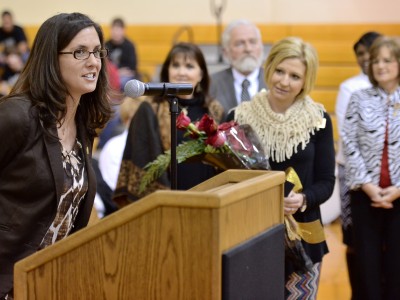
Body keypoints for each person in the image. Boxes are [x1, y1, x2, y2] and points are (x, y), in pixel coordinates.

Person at [0, 12, 112, 298]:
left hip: (48, 283)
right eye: (79, 52)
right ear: (51, 58)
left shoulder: (83, 124)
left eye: (97, 51)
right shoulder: (17, 115)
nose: (93, 61)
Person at [227, 37, 336, 299]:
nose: (284, 81)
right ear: (269, 68)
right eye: (279, 71)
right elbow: (225, 178)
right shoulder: (237, 118)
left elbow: (326, 182)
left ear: (305, 81)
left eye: (295, 76)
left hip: (304, 238)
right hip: (250, 238)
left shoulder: (318, 120)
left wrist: (303, 199)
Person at [113, 42, 224, 206]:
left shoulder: (215, 111)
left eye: (189, 66)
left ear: (201, 74)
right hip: (165, 204)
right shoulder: (150, 109)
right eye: (176, 65)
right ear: (167, 71)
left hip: (209, 201)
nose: (181, 72)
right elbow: (141, 158)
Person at [341, 36, 400, 300]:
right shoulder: (359, 97)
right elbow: (349, 143)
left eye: (387, 60)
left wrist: (397, 189)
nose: (380, 66)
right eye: (375, 60)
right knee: (367, 267)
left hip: (399, 196)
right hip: (365, 195)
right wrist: (368, 186)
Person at [334, 31, 381, 300]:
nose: (366, 59)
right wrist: (368, 183)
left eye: (370, 52)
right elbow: (350, 139)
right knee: (356, 241)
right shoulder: (350, 87)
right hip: (355, 176)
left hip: (393, 181)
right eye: (360, 55)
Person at [210, 19, 266, 117]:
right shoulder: (211, 84)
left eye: (253, 42)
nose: (248, 49)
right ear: (225, 51)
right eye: (240, 43)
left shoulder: (275, 82)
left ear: (261, 47)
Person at [105, 17, 138, 90]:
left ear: (123, 31)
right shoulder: (106, 45)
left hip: (126, 76)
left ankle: (122, 101)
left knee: (123, 83)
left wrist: (117, 73)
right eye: (114, 30)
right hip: (110, 75)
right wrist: (116, 72)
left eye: (118, 30)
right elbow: (104, 64)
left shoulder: (129, 45)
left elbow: (132, 67)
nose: (116, 33)